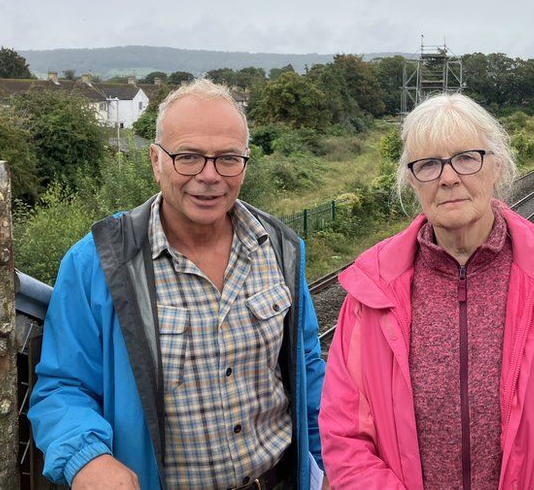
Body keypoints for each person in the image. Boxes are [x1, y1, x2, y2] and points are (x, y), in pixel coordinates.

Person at [29, 79, 326, 489]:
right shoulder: (96, 263)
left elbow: (308, 371)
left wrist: (333, 465)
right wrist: (87, 460)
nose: (209, 176)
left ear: (245, 162)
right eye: (187, 157)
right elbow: (63, 387)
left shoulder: (281, 248)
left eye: (227, 159)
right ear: (155, 160)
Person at [319, 93, 534, 489]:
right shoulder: (371, 288)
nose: (448, 178)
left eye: (466, 158)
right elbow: (345, 436)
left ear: (496, 166)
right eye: (428, 164)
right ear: (411, 180)